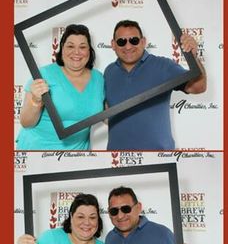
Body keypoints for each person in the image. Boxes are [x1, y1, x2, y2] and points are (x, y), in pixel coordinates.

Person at [104, 20, 207, 150]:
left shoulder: (163, 66)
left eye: (134, 40)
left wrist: (194, 58)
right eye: (121, 41)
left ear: (143, 42)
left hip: (158, 156)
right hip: (116, 158)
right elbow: (104, 110)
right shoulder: (109, 72)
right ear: (113, 44)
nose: (128, 46)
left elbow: (199, 87)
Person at [16, 24, 104, 150]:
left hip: (78, 157)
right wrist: (35, 101)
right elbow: (26, 122)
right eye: (70, 46)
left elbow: (107, 115)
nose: (77, 52)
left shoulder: (99, 79)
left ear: (89, 50)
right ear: (62, 48)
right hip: (37, 153)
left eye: (83, 47)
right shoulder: (44, 74)